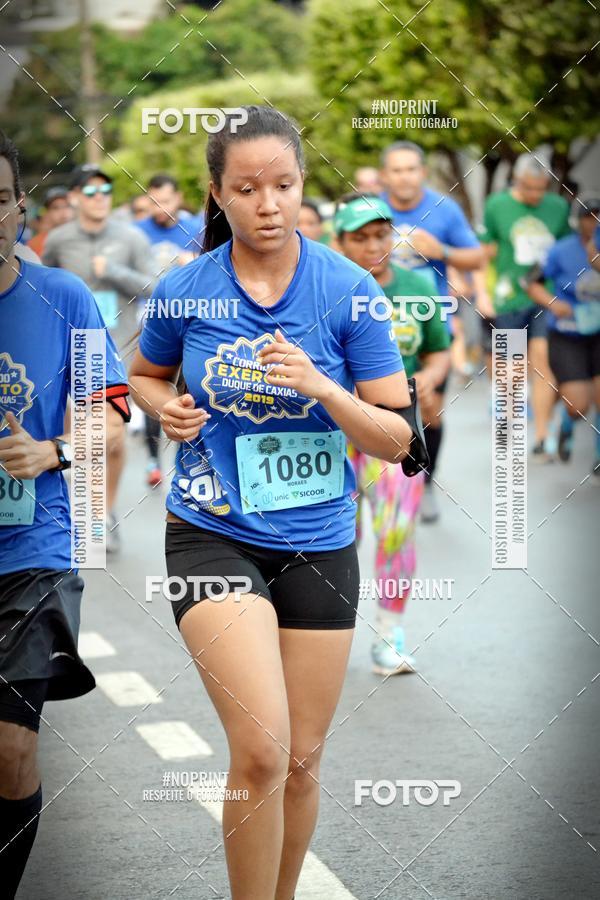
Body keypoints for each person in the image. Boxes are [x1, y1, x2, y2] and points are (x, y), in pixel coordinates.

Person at [129, 105, 419, 900]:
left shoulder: (350, 290)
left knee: (300, 760)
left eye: (284, 185)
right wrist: (164, 407)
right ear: (217, 194)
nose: (268, 204)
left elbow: (398, 440)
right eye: (247, 189)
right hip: (212, 532)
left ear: (302, 185)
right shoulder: (185, 289)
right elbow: (143, 375)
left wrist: (323, 387)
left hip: (319, 541)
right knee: (261, 748)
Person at [0, 131, 129, 898]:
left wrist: (53, 450)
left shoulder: (63, 297)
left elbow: (111, 413)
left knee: (10, 750)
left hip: (33, 548)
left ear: (21, 207)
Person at [333, 193, 451, 673]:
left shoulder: (416, 288)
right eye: (359, 237)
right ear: (339, 242)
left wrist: (429, 380)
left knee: (396, 532)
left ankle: (389, 634)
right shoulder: (326, 287)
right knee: (337, 534)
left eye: (381, 235)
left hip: (396, 432)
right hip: (334, 432)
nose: (372, 246)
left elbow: (439, 348)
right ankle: (321, 633)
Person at [42, 163, 155, 551]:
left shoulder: (131, 237)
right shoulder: (59, 240)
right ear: (75, 198)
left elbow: (155, 285)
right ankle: (84, 510)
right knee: (82, 435)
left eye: (105, 191)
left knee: (114, 438)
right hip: (74, 352)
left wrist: (116, 271)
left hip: (117, 349)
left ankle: (104, 513)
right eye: (89, 191)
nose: (99, 198)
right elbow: (41, 289)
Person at [379, 140, 483, 522]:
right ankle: (373, 489)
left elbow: (476, 257)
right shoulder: (371, 211)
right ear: (385, 176)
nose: (404, 177)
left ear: (422, 172)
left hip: (429, 325)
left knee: (429, 411)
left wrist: (443, 251)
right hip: (374, 324)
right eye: (397, 170)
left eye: (411, 169)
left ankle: (424, 482)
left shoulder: (444, 209)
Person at [477, 153, 571, 462]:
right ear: (517, 181)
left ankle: (543, 437)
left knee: (543, 360)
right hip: (508, 297)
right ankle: (508, 428)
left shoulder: (558, 207)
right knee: (511, 370)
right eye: (529, 188)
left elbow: (567, 250)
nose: (535, 194)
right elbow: (484, 253)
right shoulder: (497, 205)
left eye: (541, 188)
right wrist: (482, 293)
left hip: (546, 295)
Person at [526, 198, 600, 481]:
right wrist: (554, 303)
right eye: (589, 217)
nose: (593, 223)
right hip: (568, 334)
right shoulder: (560, 250)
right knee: (578, 404)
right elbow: (530, 281)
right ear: (578, 220)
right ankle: (567, 425)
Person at [135, 173, 203, 269]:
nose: (159, 209)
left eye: (165, 202)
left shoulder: (198, 230)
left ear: (178, 198)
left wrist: (197, 261)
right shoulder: (136, 231)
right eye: (154, 203)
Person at [27, 187, 72, 257]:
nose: (63, 212)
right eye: (56, 208)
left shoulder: (85, 236)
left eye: (67, 206)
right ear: (47, 213)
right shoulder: (36, 244)